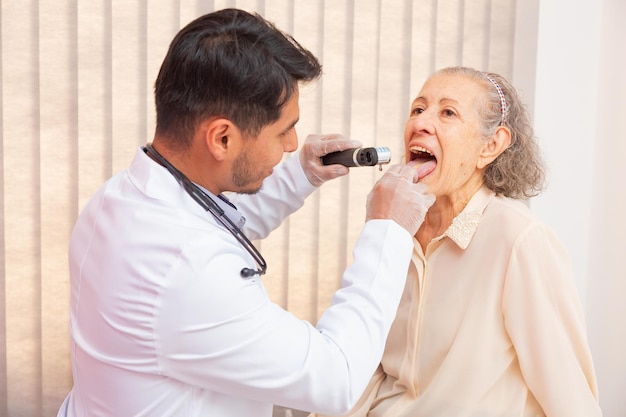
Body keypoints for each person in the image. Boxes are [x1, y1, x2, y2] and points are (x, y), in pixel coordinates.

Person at [56, 8, 437, 417]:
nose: (293, 143)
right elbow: (336, 377)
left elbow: (215, 223)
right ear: (222, 137)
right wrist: (388, 229)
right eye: (282, 131)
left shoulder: (116, 200)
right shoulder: (185, 272)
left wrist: (300, 175)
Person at [314, 66, 602, 417]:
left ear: (491, 146)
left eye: (447, 112)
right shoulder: (395, 231)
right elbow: (371, 368)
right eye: (418, 109)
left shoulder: (518, 240)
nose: (421, 122)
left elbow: (570, 396)